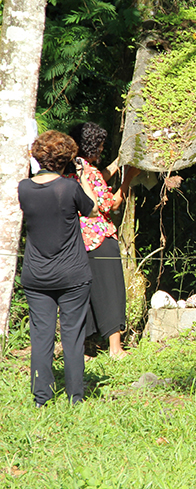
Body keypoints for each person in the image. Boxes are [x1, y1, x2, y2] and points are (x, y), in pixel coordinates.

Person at [18, 131, 99, 405]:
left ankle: (41, 397)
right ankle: (75, 396)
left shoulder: (24, 188)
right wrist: (84, 179)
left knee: (41, 336)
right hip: (72, 274)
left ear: (38, 156)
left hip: (36, 274)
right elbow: (94, 210)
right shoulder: (69, 187)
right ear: (67, 159)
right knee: (73, 336)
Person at [67, 122, 129, 359]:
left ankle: (84, 348)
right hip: (100, 237)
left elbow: (97, 179)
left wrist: (117, 164)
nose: (102, 150)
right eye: (101, 147)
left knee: (85, 292)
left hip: (78, 241)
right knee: (111, 289)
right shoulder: (90, 172)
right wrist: (126, 182)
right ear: (92, 147)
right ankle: (115, 348)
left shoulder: (71, 170)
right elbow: (108, 204)